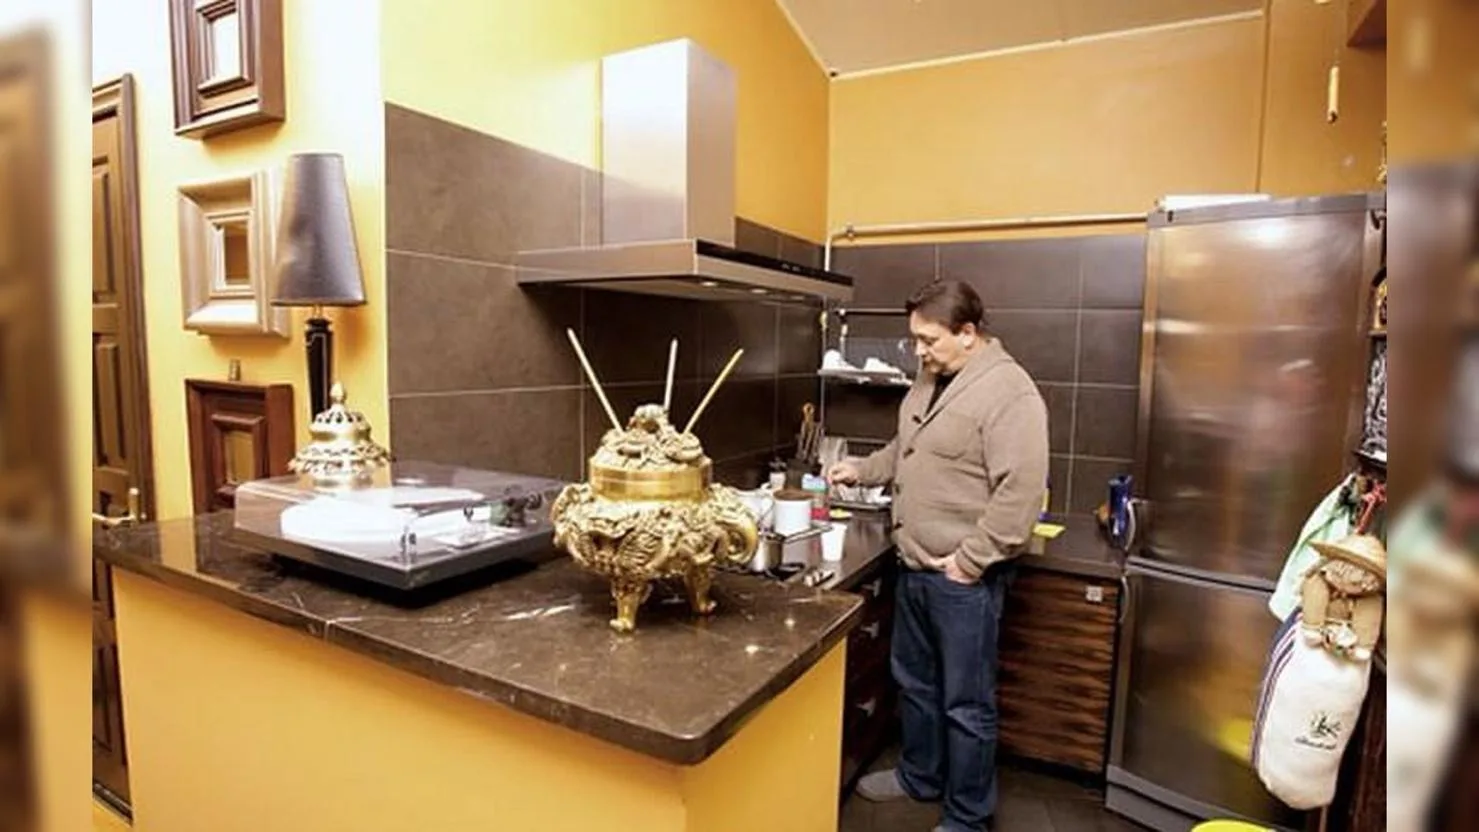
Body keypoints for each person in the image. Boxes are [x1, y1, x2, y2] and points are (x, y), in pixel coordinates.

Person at [829, 280, 1048, 832]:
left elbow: (1021, 493)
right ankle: (920, 776)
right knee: (915, 683)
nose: (918, 351)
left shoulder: (1009, 392)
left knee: (966, 704)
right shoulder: (932, 378)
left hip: (964, 579)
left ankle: (969, 816)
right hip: (915, 565)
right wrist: (863, 470)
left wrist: (970, 562)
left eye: (928, 340)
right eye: (915, 339)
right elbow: (907, 448)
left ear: (968, 333)